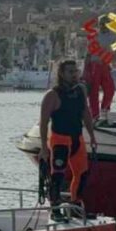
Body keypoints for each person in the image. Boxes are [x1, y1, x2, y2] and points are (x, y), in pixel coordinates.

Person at [38, 60, 98, 212]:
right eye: (70, 72)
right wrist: (44, 148)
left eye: (75, 71)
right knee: (57, 176)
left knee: (82, 174)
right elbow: (44, 123)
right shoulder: (52, 95)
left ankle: (75, 204)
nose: (74, 75)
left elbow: (86, 113)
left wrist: (92, 136)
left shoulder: (81, 90)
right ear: (61, 74)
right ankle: (55, 207)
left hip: (77, 139)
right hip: (60, 140)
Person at [84, 16, 116, 121]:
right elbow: (88, 54)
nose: (103, 26)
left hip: (106, 65)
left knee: (110, 89)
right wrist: (86, 69)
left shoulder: (113, 37)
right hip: (95, 65)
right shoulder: (94, 36)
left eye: (106, 23)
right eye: (101, 24)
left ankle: (105, 111)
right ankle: (94, 115)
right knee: (94, 91)